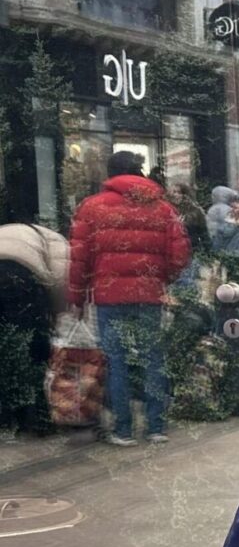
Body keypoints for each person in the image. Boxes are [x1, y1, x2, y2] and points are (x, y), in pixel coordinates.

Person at [68, 151, 190, 447]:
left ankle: (123, 430)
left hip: (109, 297)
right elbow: (179, 255)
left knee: (116, 360)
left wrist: (77, 298)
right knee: (153, 358)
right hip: (149, 296)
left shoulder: (92, 207)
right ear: (140, 172)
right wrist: (161, 280)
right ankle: (156, 427)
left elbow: (80, 258)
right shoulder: (163, 208)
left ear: (110, 173)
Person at [0, 223, 68, 441]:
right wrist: (56, 318)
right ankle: (36, 420)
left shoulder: (11, 232)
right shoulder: (59, 244)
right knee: (35, 350)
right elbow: (62, 285)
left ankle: (6, 416)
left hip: (10, 274)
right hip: (22, 281)